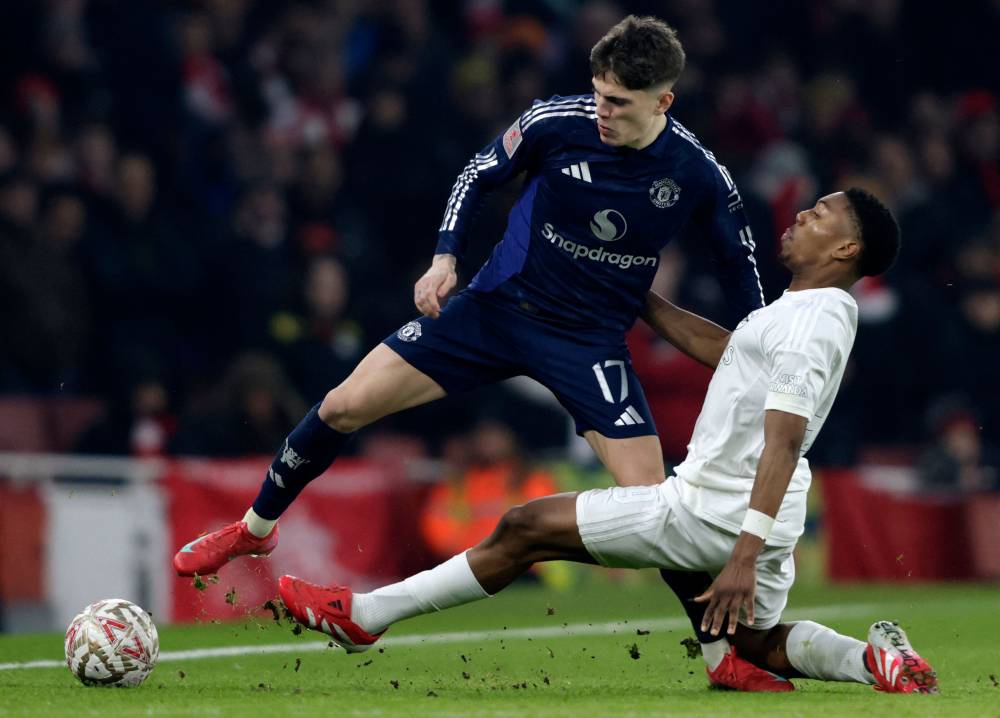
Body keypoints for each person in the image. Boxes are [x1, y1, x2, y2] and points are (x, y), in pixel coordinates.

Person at [276, 189, 938, 695]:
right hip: (764, 517)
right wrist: (641, 300)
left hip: (717, 513)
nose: (801, 216)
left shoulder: (816, 318)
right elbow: (730, 351)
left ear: (847, 250)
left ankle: (364, 614)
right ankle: (875, 659)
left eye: (820, 214)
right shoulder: (799, 312)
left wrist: (741, 554)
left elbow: (785, 438)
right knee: (759, 645)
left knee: (524, 526)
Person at [174, 14, 762, 580]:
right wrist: (444, 257)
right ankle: (254, 527)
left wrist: (763, 340)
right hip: (493, 311)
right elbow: (477, 174)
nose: (601, 111)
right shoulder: (555, 123)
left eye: (618, 103)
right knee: (341, 405)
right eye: (599, 93)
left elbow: (740, 266)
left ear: (663, 102)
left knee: (652, 506)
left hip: (588, 341)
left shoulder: (698, 175)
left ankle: (719, 655)